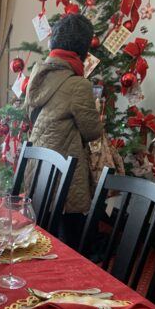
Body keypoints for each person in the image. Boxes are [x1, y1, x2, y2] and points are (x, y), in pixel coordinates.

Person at [24, 14, 104, 249]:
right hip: (65, 176)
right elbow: (92, 132)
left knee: (41, 237)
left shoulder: (37, 76)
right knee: (71, 243)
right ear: (83, 48)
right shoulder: (78, 84)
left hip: (38, 169)